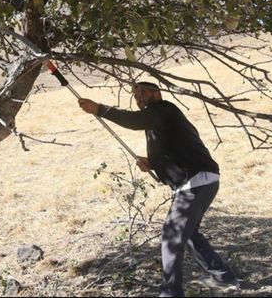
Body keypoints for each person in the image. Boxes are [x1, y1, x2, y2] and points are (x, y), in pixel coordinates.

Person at [78, 81, 239, 297]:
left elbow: (134, 121)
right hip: (200, 180)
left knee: (172, 236)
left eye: (143, 92)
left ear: (157, 93)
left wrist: (100, 109)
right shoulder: (158, 119)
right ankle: (223, 278)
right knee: (189, 234)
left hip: (195, 181)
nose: (138, 97)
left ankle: (171, 293)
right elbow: (174, 147)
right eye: (135, 95)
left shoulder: (164, 110)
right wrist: (153, 163)